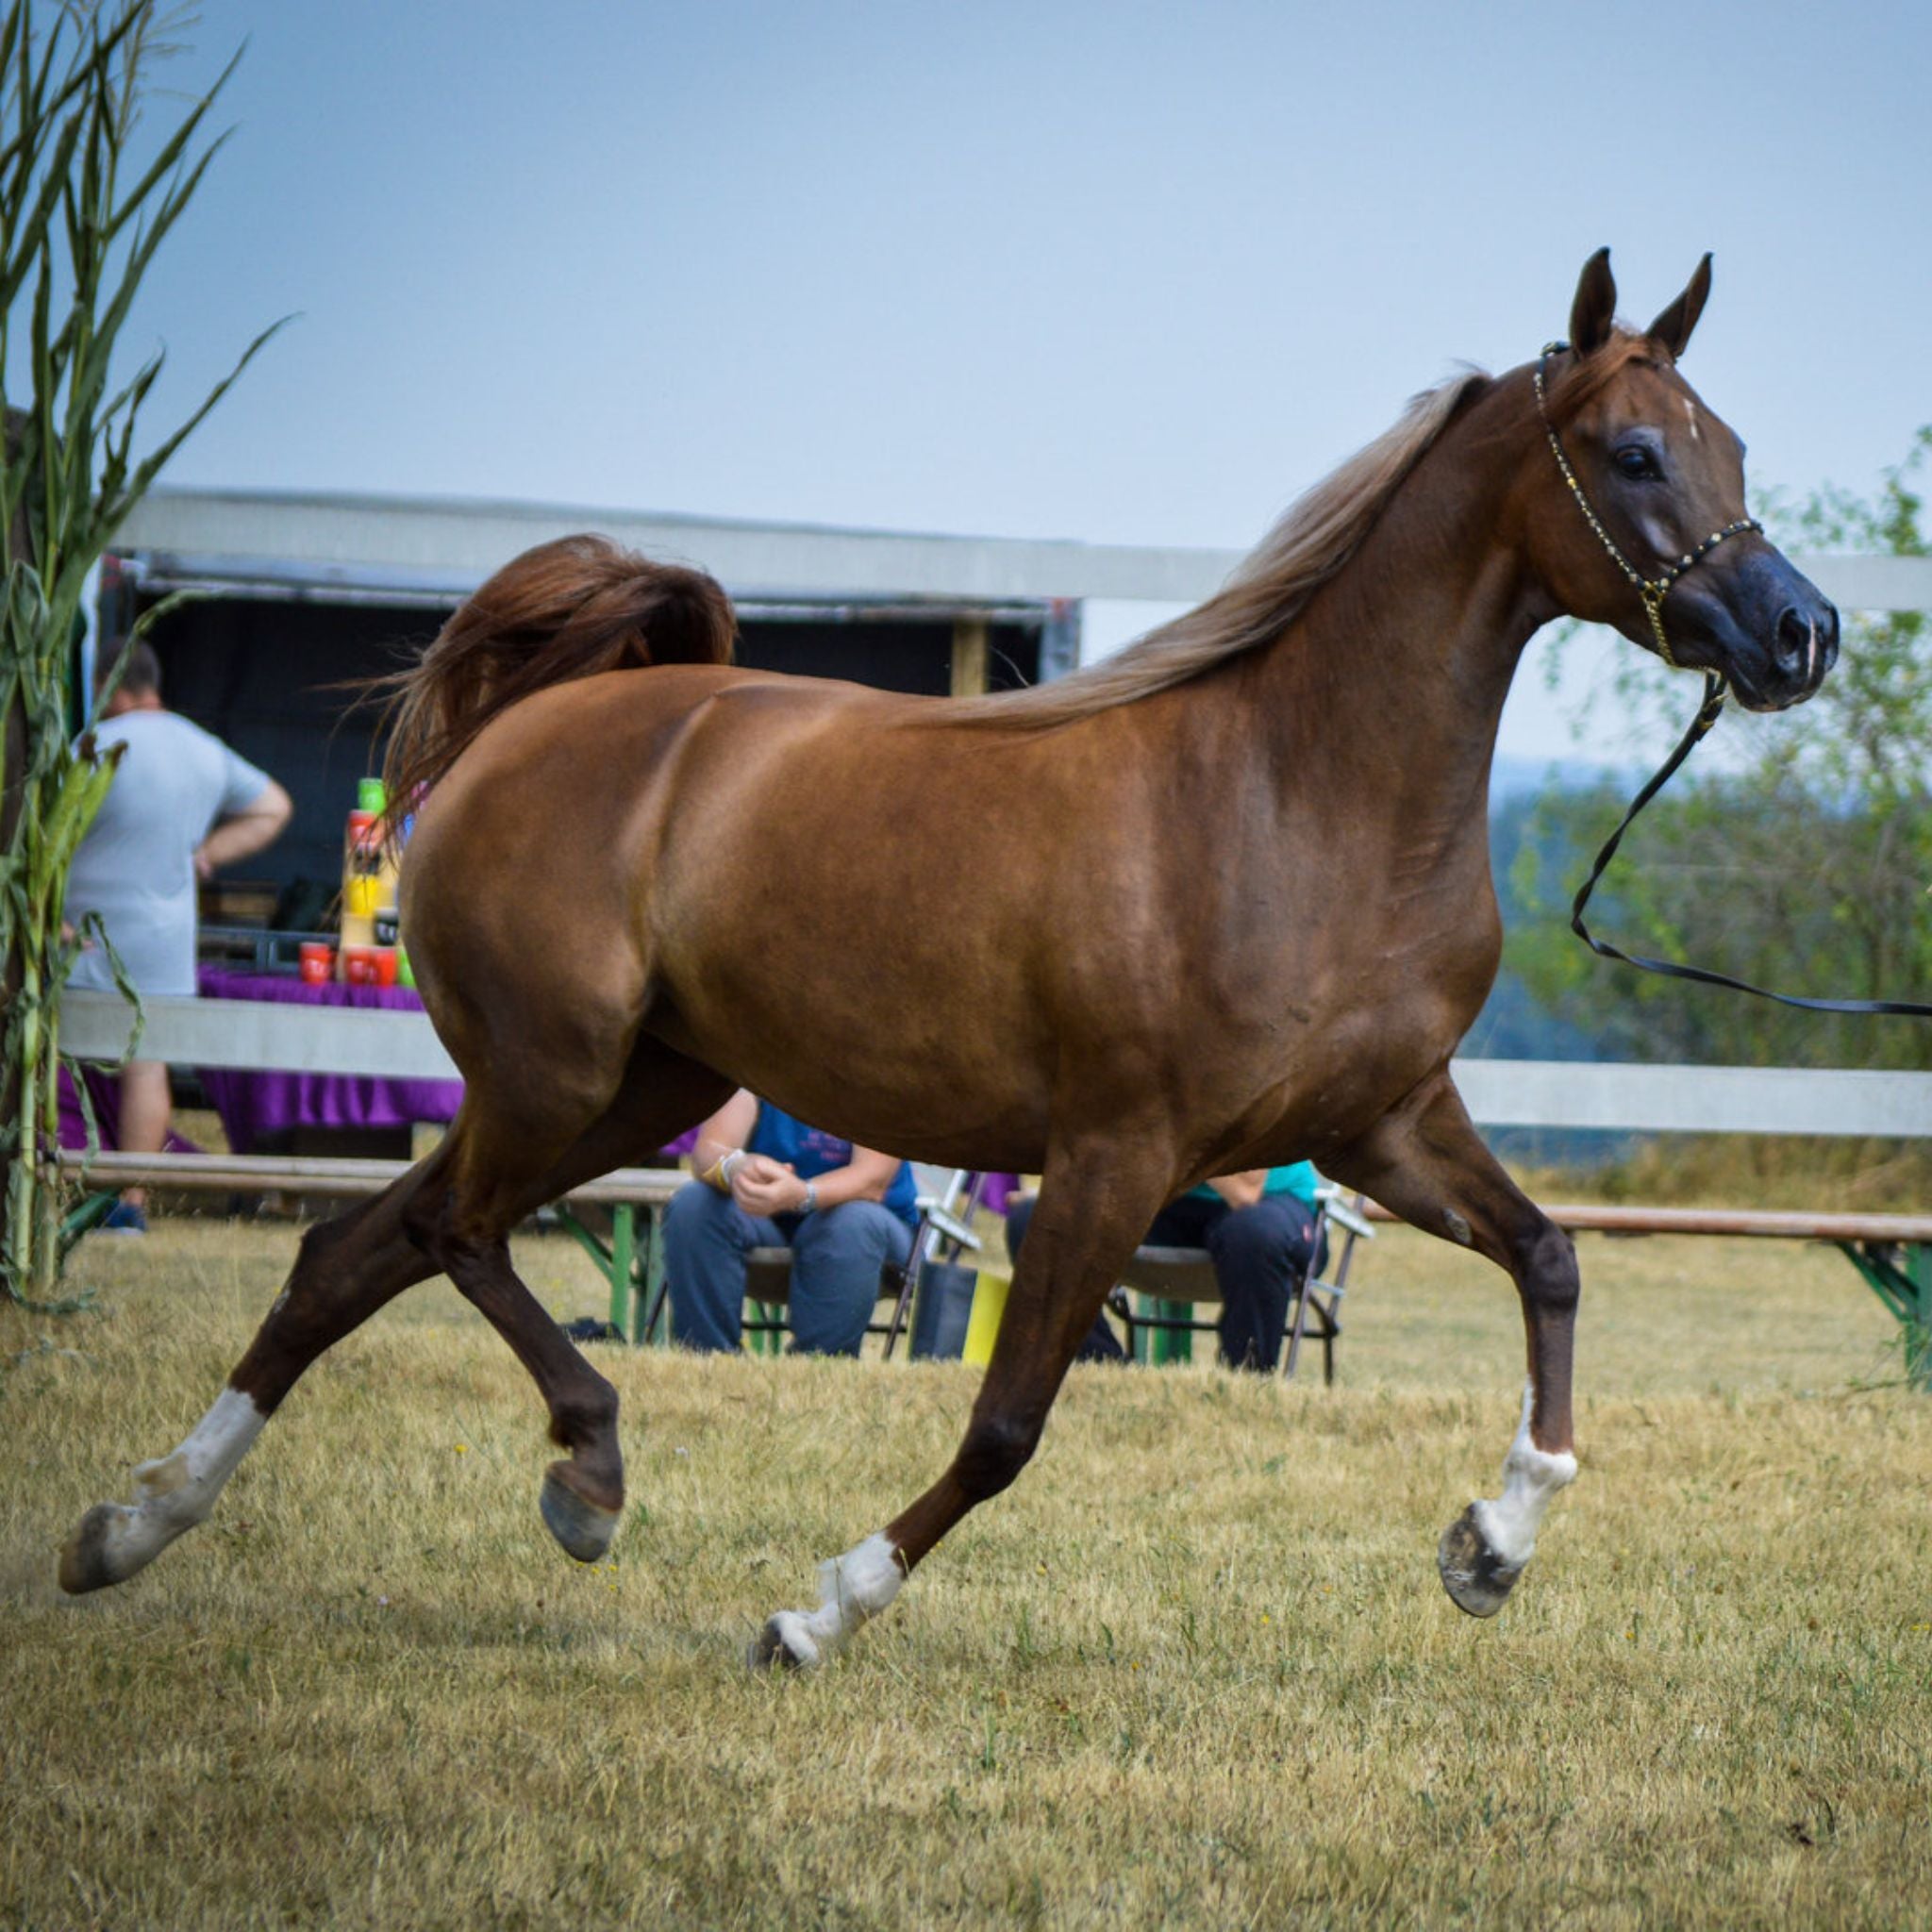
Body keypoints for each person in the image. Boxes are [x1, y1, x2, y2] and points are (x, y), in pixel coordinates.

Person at [63, 640, 293, 1231]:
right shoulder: (202, 747)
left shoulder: (94, 748)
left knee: (48, 1060)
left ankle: (49, 1189)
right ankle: (129, 1207)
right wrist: (206, 854)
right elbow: (273, 807)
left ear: (110, 687)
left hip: (78, 937)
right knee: (147, 1066)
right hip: (162, 937)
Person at [665, 1089, 919, 1356]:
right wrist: (733, 1168)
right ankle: (709, 1357)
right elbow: (708, 1150)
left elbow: (872, 1182)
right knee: (695, 1203)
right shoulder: (756, 1062)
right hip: (767, 1220)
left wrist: (802, 1194)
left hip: (869, 1227)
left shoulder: (871, 1072)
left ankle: (819, 1366)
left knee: (851, 1222)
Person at [1005, 1162, 1326, 1371]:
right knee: (1039, 1222)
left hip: (1270, 1205)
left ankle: (1245, 1381)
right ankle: (1104, 1371)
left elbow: (1245, 1190)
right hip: (1158, 1198)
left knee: (1253, 1233)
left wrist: (1167, 1108)